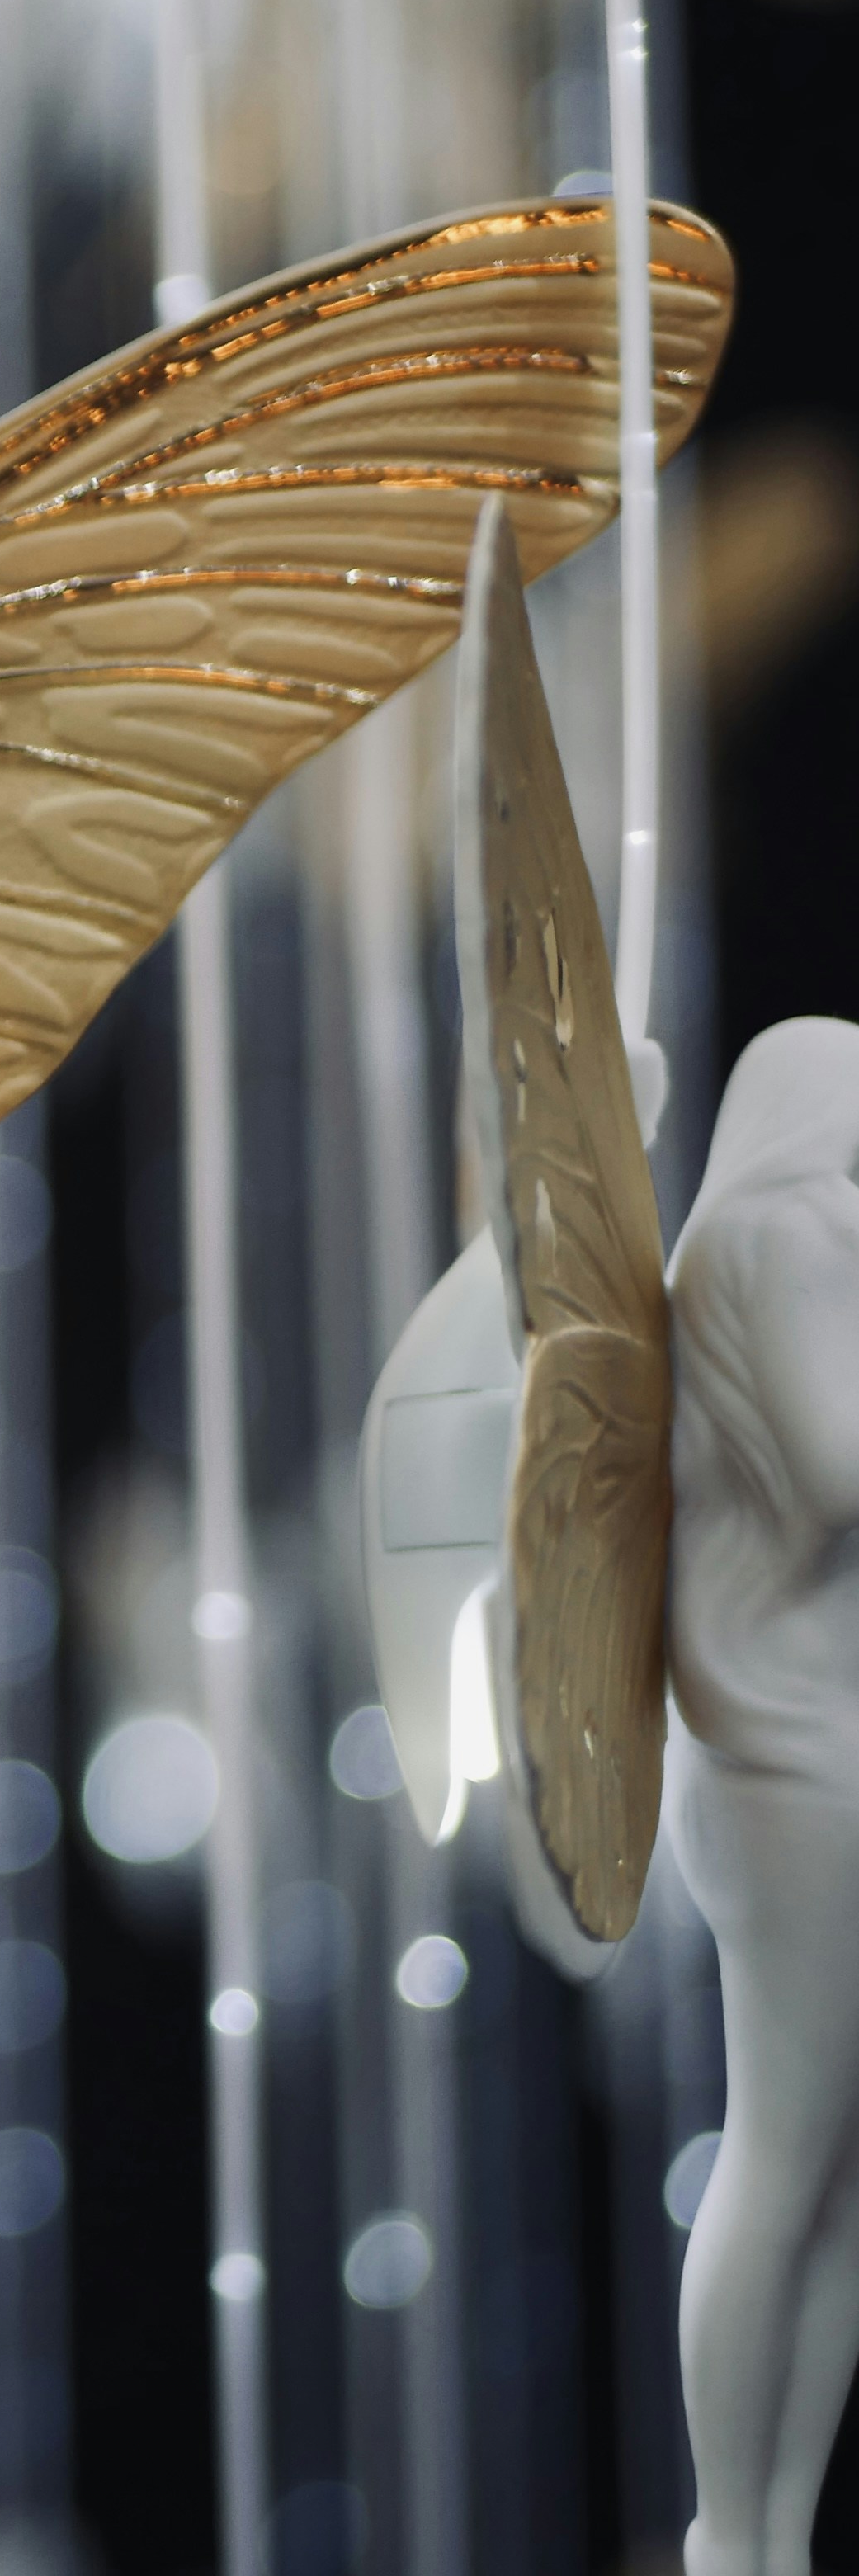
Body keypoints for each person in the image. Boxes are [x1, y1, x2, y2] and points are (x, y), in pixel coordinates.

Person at [668, 1015, 859, 2576]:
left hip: (816, 1733)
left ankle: (772, 2525)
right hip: (789, 1750)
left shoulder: (785, 1230)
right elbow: (843, 1460)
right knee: (786, 2145)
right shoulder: (775, 1235)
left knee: (835, 2168)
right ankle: (734, 2528)